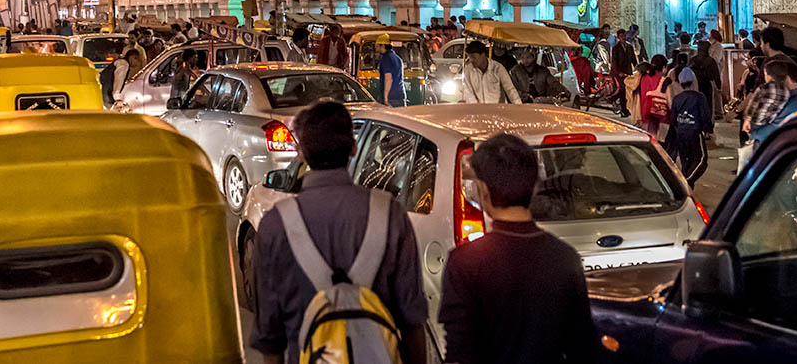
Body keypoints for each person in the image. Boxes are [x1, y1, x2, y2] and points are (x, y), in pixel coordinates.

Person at [251, 100, 428, 364]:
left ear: (302, 153)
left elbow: (270, 337)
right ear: (354, 147)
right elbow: (413, 322)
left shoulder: (276, 224)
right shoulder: (389, 213)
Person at [438, 134, 594, 364]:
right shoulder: (564, 257)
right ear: (533, 189)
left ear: (483, 191)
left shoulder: (465, 262)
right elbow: (581, 346)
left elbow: (459, 352)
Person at [745, 58, 797, 147]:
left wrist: (754, 132)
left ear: (787, 78)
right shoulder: (793, 98)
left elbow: (771, 131)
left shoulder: (792, 102)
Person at [670, 68, 712, 187]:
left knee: (685, 161)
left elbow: (672, 119)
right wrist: (708, 130)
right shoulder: (699, 97)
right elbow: (705, 115)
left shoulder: (677, 99)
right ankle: (686, 181)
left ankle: (687, 187)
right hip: (695, 132)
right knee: (701, 160)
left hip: (681, 133)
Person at [689, 40, 723, 121]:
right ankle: (708, 124)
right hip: (707, 84)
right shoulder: (710, 61)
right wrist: (719, 86)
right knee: (708, 104)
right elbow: (716, 74)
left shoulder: (692, 60)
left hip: (694, 84)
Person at [638, 55, 670, 136]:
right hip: (658, 112)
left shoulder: (644, 77)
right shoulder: (663, 80)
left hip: (645, 111)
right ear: (663, 67)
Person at [109, 41, 147, 105]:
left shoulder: (125, 65)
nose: (137, 62)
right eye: (135, 58)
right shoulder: (123, 65)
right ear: (130, 57)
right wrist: (118, 99)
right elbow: (119, 81)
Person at [377, 34, 406, 107]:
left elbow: (388, 78)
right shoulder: (397, 58)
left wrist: (385, 98)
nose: (376, 49)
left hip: (391, 97)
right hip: (400, 95)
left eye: (377, 46)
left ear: (382, 46)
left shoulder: (386, 59)